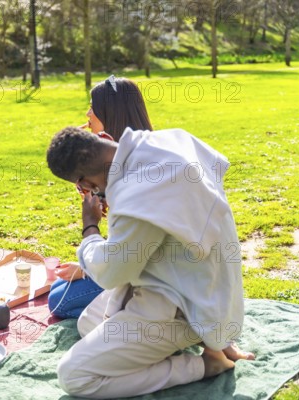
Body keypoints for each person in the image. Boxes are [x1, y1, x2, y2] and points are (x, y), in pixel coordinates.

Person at [47, 126, 254, 398]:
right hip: (204, 285)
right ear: (106, 139)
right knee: (88, 324)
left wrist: (90, 229)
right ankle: (212, 341)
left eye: (81, 186)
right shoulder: (169, 140)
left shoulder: (138, 195)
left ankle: (205, 364)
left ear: (85, 185)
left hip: (183, 305)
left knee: (74, 375)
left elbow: (111, 274)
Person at [49, 76, 153, 319]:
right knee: (58, 287)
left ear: (110, 115)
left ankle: (129, 313)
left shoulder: (133, 173)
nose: (87, 113)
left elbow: (134, 253)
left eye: (92, 108)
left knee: (59, 300)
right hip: (131, 257)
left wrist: (87, 264)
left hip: (147, 273)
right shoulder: (135, 152)